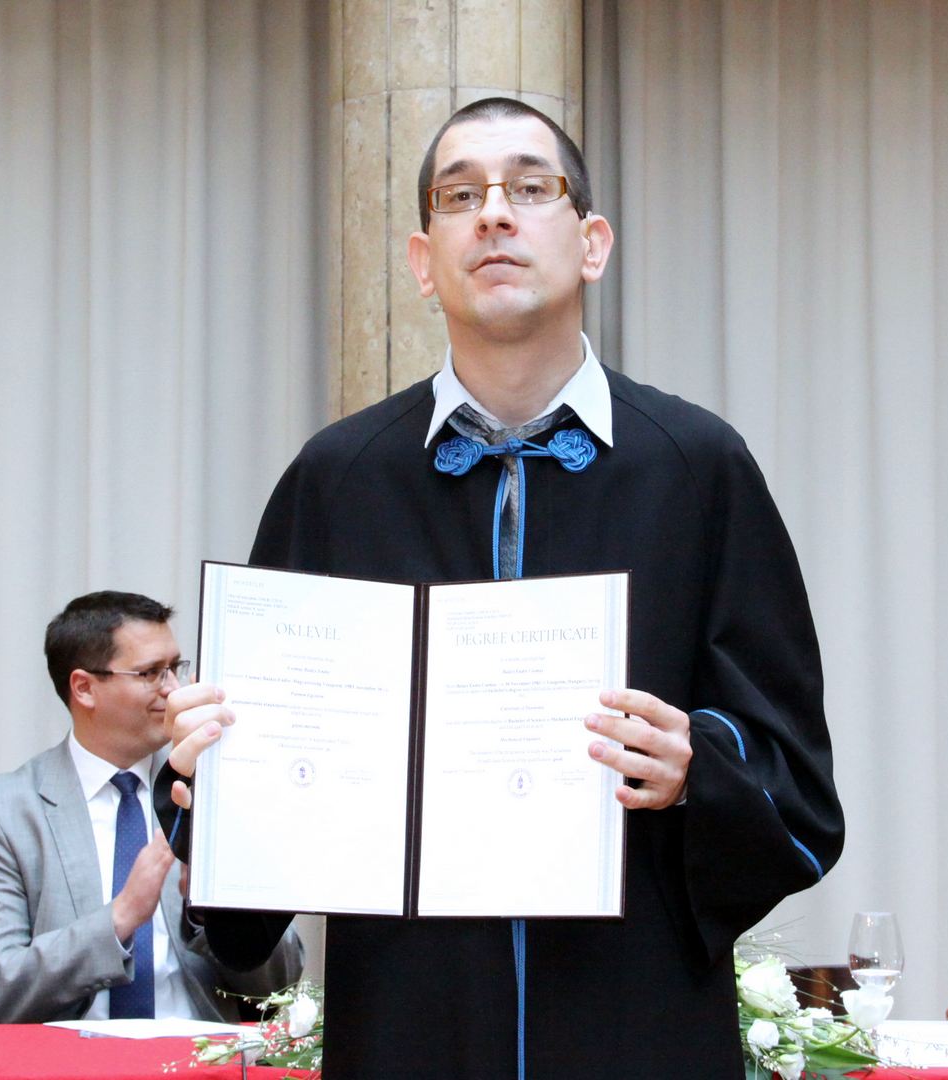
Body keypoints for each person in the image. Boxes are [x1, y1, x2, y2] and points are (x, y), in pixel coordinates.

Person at [162, 97, 843, 1076]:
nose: (492, 213)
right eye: (459, 196)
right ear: (420, 261)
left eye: (529, 187)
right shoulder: (339, 479)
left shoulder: (697, 468)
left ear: (592, 244)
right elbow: (245, 894)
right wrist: (211, 782)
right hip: (407, 1025)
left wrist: (697, 767)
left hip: (635, 1021)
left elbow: (797, 784)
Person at [0, 591, 301, 1024]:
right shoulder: (1, 812)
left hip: (202, 1055)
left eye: (175, 668)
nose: (173, 690)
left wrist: (212, 914)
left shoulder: (210, 795)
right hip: (71, 1058)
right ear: (84, 688)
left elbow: (282, 986)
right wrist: (118, 919)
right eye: (151, 673)